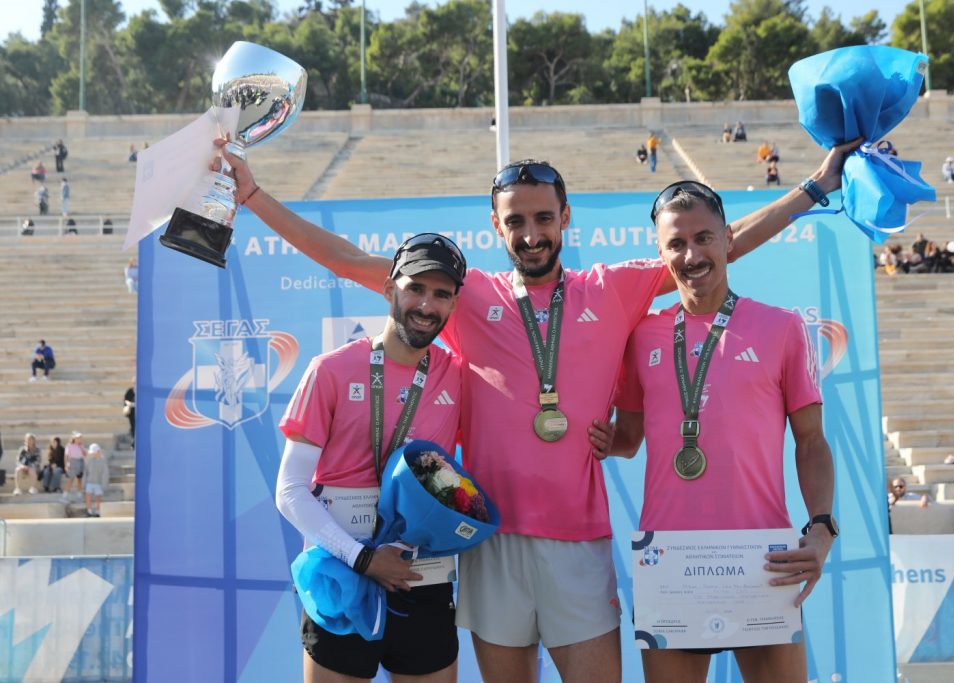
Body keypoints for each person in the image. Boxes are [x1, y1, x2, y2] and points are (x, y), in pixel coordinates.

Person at [218, 135, 857, 683]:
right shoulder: (462, 295)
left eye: (543, 219)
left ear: (564, 219)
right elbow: (346, 259)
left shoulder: (612, 289)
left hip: (578, 544)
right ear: (497, 227)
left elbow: (722, 243)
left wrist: (812, 188)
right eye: (516, 221)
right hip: (488, 542)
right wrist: (252, 198)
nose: (530, 234)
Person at [606, 181, 836, 682]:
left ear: (729, 239)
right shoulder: (640, 334)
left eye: (704, 238)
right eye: (676, 243)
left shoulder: (782, 328)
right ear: (660, 253)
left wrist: (822, 527)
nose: (692, 254)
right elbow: (627, 440)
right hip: (670, 563)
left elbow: (812, 441)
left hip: (764, 558)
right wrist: (584, 433)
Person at [276, 234, 468, 683]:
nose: (426, 304)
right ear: (388, 290)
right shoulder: (330, 369)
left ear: (454, 305)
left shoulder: (458, 376)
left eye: (441, 294)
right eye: (415, 288)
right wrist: (362, 558)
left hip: (423, 576)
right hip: (342, 573)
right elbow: (289, 491)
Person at [83, 443, 110, 517]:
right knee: (88, 495)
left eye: (95, 452)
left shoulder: (103, 460)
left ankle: (97, 511)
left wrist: (104, 484)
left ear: (98, 451)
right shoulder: (89, 460)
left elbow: (105, 473)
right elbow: (85, 471)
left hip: (98, 483)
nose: (93, 454)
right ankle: (89, 510)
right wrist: (84, 483)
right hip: (89, 481)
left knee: (98, 497)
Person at [61, 431, 87, 501]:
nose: (79, 439)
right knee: (70, 479)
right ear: (74, 438)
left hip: (80, 462)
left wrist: (81, 447)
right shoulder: (69, 446)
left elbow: (85, 454)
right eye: (78, 438)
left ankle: (79, 495)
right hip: (73, 462)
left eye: (80, 438)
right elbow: (66, 456)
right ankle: (64, 495)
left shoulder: (81, 445)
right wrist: (66, 465)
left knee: (79, 479)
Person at [124, 381, 136, 447]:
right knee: (133, 428)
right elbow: (125, 401)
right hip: (132, 415)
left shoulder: (141, 391)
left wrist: (132, 404)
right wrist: (128, 404)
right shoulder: (130, 391)